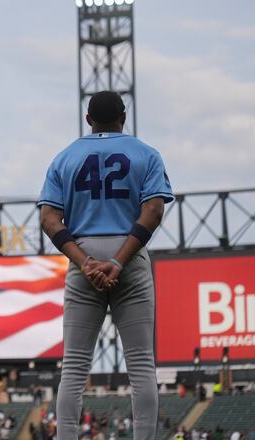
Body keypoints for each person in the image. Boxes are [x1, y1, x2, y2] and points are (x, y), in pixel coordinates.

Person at [38, 91, 173, 440]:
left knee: (74, 366)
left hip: (83, 255)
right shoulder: (146, 154)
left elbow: (49, 218)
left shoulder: (65, 157)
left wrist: (85, 263)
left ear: (88, 121)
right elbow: (154, 210)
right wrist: (117, 260)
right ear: (124, 117)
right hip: (128, 253)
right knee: (141, 363)